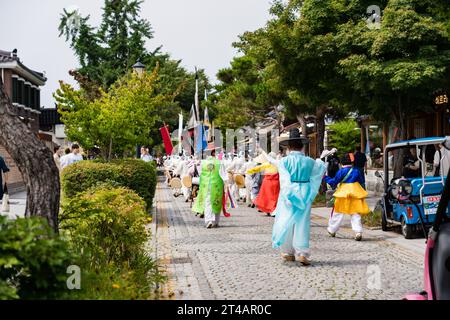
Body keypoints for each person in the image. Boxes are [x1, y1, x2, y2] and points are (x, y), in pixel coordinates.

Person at [271, 128, 326, 266]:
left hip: (289, 192)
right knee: (302, 222)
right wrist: (321, 160)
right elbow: (318, 172)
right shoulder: (310, 161)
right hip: (305, 192)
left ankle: (288, 252)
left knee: (286, 220)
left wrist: (289, 194)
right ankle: (302, 252)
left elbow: (284, 179)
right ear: (302, 146)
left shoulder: (284, 161)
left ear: (289, 147)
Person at [323, 153, 370, 241]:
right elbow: (362, 181)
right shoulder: (356, 171)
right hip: (355, 192)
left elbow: (334, 182)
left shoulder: (341, 171)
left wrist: (325, 177)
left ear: (341, 163)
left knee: (338, 213)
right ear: (351, 162)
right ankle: (358, 232)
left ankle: (332, 230)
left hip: (343, 193)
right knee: (355, 213)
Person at [192, 147, 229, 228]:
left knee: (208, 202)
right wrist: (226, 184)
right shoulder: (219, 162)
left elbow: (200, 173)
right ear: (213, 153)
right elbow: (224, 175)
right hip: (217, 185)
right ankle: (215, 221)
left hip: (205, 185)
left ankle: (209, 220)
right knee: (216, 202)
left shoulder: (203, 162)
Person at [246, 152, 280, 216]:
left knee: (266, 196)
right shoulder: (278, 163)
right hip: (276, 182)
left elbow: (257, 168)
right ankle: (274, 209)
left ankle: (268, 209)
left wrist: (249, 171)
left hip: (267, 182)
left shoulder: (266, 164)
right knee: (275, 197)